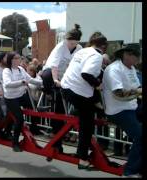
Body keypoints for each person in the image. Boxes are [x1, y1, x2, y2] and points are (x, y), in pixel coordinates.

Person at [61, 31, 108, 170]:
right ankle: (82, 158)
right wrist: (98, 84)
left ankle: (96, 108)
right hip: (77, 92)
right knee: (87, 125)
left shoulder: (83, 51)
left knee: (89, 109)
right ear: (104, 46)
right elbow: (86, 74)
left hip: (67, 87)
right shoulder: (97, 55)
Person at [41, 24, 83, 153]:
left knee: (64, 102)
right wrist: (55, 80)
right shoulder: (60, 46)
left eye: (73, 44)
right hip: (52, 73)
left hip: (65, 76)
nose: (71, 45)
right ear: (66, 40)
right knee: (46, 75)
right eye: (69, 43)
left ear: (77, 42)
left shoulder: (80, 48)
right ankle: (47, 93)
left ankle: (63, 130)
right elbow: (54, 66)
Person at [102, 47, 142, 177]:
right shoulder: (114, 69)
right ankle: (129, 171)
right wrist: (137, 92)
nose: (139, 60)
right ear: (127, 55)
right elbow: (118, 93)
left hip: (131, 107)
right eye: (137, 57)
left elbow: (137, 87)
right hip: (118, 111)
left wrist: (138, 91)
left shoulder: (131, 69)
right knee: (141, 136)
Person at [2, 52, 43, 152]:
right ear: (10, 60)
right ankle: (15, 143)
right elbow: (7, 84)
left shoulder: (21, 69)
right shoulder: (7, 71)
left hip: (21, 95)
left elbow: (30, 80)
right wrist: (21, 82)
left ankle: (34, 126)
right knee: (19, 119)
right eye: (15, 58)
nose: (18, 60)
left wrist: (44, 82)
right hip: (11, 98)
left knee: (34, 108)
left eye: (19, 58)